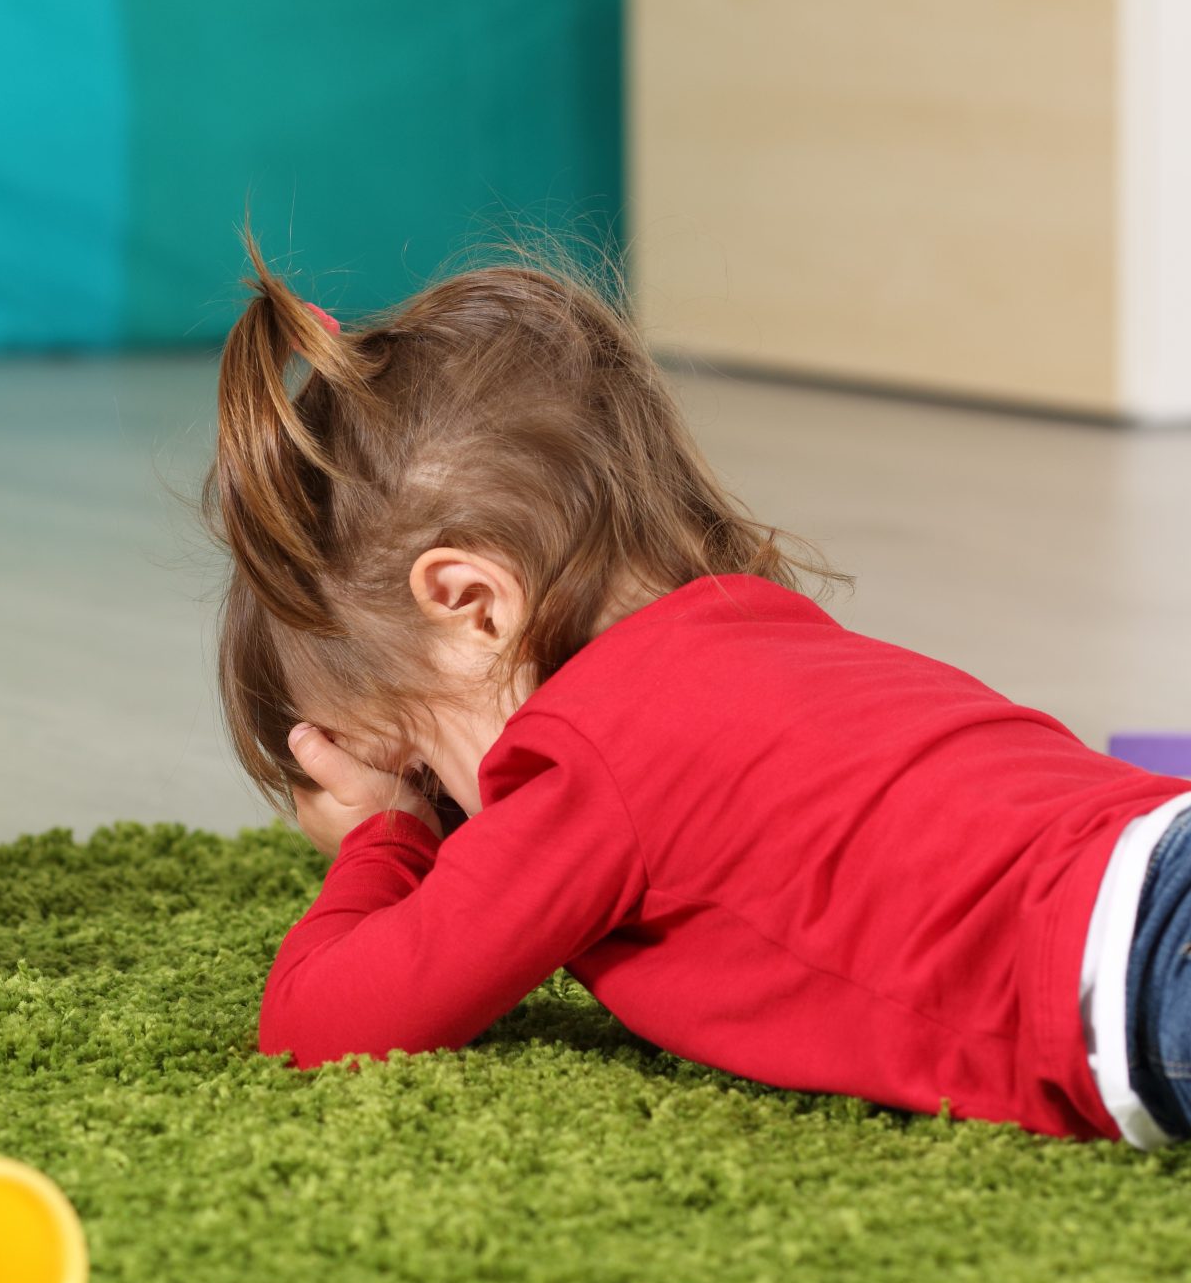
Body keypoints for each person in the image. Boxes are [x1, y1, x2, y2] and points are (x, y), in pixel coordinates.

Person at [207, 251, 1191, 1142]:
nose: (459, 820)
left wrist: (384, 839)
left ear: (471, 605)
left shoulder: (580, 756)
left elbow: (319, 1025)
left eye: (421, 767)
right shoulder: (759, 630)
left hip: (1143, 971)